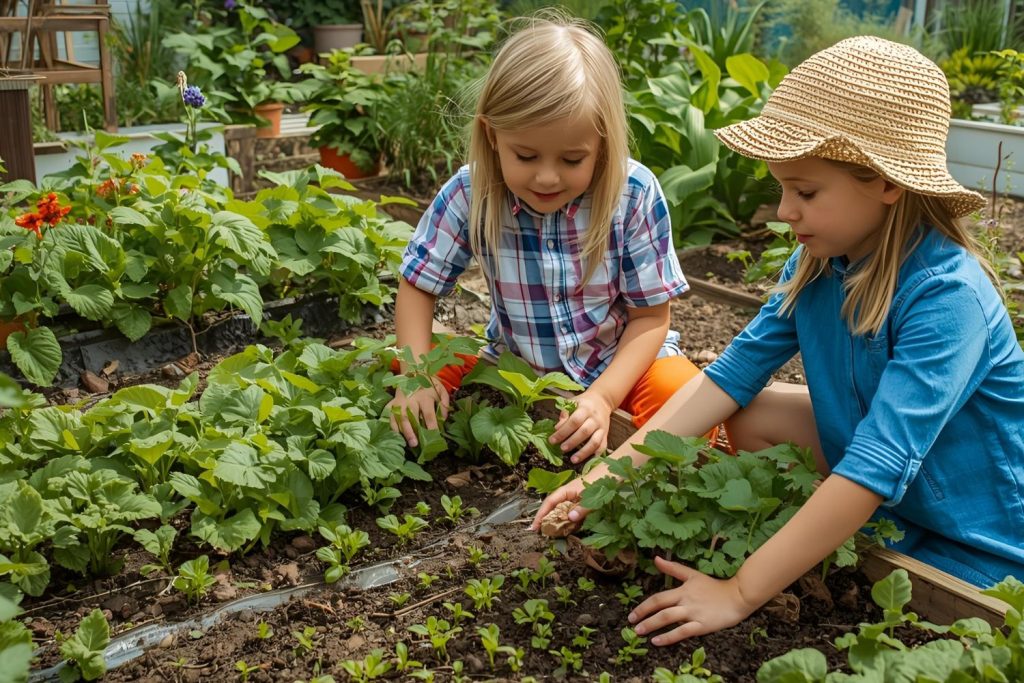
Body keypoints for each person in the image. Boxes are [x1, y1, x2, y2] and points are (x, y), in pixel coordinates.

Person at [531, 35, 1024, 645]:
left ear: (885, 182)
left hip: (978, 529)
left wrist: (740, 591)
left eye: (806, 192)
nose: (783, 211)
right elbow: (731, 374)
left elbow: (878, 462)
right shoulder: (818, 264)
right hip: (891, 488)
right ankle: (828, 527)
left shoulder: (949, 298)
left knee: (947, 618)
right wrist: (610, 474)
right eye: (782, 188)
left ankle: (834, 531)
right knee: (748, 415)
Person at [387, 15, 704, 461]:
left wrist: (603, 399)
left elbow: (651, 319)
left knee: (686, 402)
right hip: (513, 368)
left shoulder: (632, 194)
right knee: (407, 358)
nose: (548, 176)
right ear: (492, 136)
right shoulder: (470, 192)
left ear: (604, 145)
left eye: (573, 159)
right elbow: (419, 284)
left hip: (624, 364)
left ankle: (633, 465)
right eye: (527, 155)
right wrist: (416, 376)